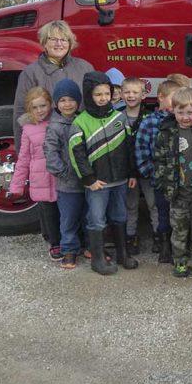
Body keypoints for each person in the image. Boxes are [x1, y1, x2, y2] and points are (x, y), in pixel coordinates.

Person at [68, 71, 138, 275]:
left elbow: (129, 147)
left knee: (120, 216)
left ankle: (122, 254)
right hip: (97, 182)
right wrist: (88, 178)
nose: (103, 98)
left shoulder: (119, 118)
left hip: (120, 179)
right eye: (97, 94)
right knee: (97, 218)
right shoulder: (80, 122)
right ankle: (97, 259)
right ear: (89, 95)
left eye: (106, 93)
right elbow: (76, 153)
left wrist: (132, 173)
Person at [153, 87, 192, 279]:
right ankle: (180, 261)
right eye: (181, 112)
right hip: (176, 192)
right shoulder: (166, 132)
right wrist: (163, 180)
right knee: (178, 229)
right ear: (173, 111)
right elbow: (159, 158)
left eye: (190, 112)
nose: (186, 117)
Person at [13, 20, 93, 146]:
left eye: (64, 39)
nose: (59, 44)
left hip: (81, 140)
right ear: (44, 42)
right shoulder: (30, 73)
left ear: (70, 43)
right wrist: (22, 149)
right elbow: (21, 113)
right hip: (48, 145)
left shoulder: (85, 67)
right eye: (53, 39)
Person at [10, 87, 59, 260]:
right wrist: (17, 184)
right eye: (35, 107)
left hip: (58, 176)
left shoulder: (57, 122)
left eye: (43, 106)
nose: (40, 110)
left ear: (50, 105)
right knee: (48, 212)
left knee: (63, 211)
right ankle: (54, 244)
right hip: (40, 178)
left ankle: (67, 240)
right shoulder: (28, 129)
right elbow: (23, 159)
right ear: (29, 109)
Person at [135, 79, 182, 262]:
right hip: (160, 181)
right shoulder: (149, 122)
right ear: (161, 97)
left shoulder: (180, 120)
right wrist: (151, 172)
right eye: (173, 98)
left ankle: (179, 247)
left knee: (179, 214)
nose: (177, 102)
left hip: (179, 179)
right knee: (162, 213)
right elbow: (141, 149)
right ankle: (164, 248)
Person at [43, 79, 86, 269]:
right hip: (67, 183)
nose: (67, 104)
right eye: (62, 100)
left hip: (86, 180)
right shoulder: (54, 126)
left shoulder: (83, 121)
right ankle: (69, 250)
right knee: (68, 219)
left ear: (78, 101)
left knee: (87, 216)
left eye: (71, 100)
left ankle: (88, 246)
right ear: (56, 104)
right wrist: (62, 171)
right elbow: (50, 151)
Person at [122, 76, 150, 254]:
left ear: (144, 95)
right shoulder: (117, 118)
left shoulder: (150, 117)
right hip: (127, 171)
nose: (131, 96)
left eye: (135, 92)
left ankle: (159, 236)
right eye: (127, 92)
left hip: (147, 169)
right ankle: (130, 236)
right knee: (130, 204)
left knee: (152, 203)